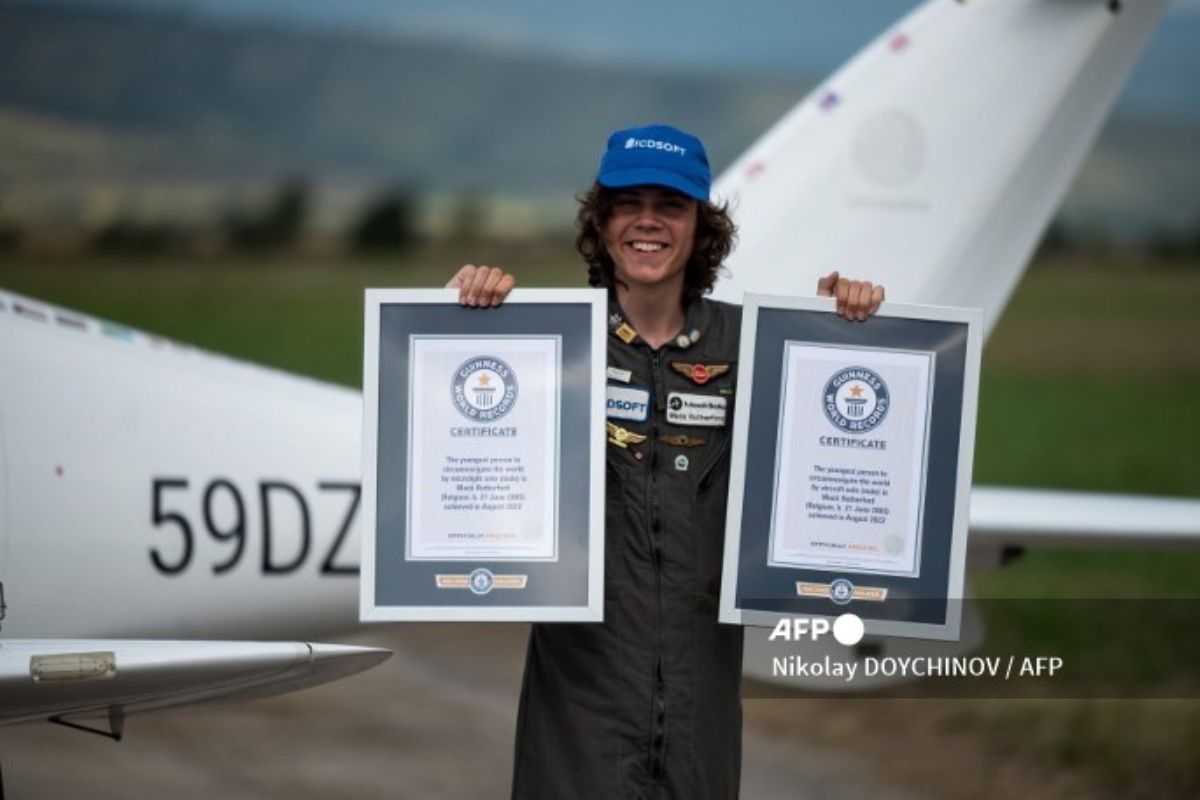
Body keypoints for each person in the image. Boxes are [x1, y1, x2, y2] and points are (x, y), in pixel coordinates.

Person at [447, 124, 884, 799]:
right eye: (628, 203)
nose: (647, 222)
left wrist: (847, 331)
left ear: (700, 227)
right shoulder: (544, 347)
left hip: (700, 705)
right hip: (580, 708)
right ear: (601, 222)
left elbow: (834, 446)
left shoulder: (758, 348)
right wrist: (464, 318)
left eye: (671, 205)